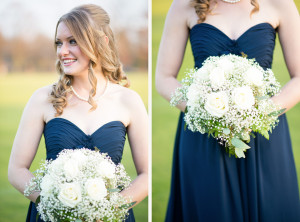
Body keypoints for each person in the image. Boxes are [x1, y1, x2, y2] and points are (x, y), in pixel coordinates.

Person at [155, 0, 300, 221]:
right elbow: (164, 78)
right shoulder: (183, 5)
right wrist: (206, 112)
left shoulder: (280, 3)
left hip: (263, 136)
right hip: (205, 135)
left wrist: (259, 115)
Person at [8, 4, 148, 222]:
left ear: (101, 42)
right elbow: (16, 170)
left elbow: (146, 175)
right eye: (59, 43)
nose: (62, 51)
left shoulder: (129, 101)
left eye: (73, 41)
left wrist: (107, 211)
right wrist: (58, 205)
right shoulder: (42, 99)